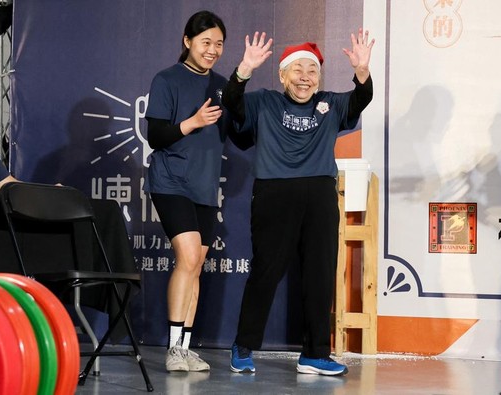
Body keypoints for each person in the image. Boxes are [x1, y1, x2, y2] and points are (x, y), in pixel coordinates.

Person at [223, 29, 375, 376]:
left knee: (320, 274)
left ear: (319, 77)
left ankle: (315, 353)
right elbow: (233, 101)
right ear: (282, 75)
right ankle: (243, 345)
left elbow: (360, 99)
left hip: (320, 194)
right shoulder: (264, 101)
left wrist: (362, 70)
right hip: (275, 193)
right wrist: (244, 68)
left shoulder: (331, 103)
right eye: (297, 70)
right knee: (266, 270)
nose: (304, 77)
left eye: (312, 70)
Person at [143, 10, 250, 372]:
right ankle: (173, 349)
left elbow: (240, 135)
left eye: (219, 44)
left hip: (205, 187)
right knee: (188, 258)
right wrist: (192, 122)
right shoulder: (167, 80)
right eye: (206, 42)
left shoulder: (221, 85)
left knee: (197, 264)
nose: (212, 50)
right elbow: (155, 136)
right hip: (170, 181)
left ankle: (186, 348)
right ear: (187, 41)